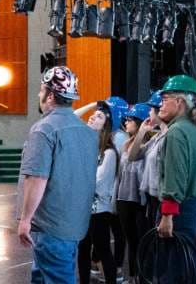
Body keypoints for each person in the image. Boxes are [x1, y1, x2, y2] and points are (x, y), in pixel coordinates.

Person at [17, 66, 98, 283]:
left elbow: (37, 178)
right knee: (41, 277)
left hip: (50, 227)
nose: (38, 94)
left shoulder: (43, 130)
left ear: (51, 95)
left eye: (41, 90)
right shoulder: (88, 133)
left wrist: (25, 219)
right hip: (74, 225)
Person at [155, 75, 196, 276]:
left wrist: (167, 215)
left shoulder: (176, 131)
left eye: (164, 99)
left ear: (179, 102)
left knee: (175, 272)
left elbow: (175, 176)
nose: (160, 104)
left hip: (179, 212)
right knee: (195, 270)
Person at [77, 103, 119, 284]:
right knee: (83, 249)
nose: (93, 117)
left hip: (99, 210)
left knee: (102, 250)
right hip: (83, 207)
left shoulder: (109, 153)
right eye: (93, 115)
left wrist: (79, 180)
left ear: (106, 126)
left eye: (99, 117)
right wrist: (93, 105)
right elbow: (72, 115)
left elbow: (98, 184)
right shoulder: (86, 146)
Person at [115, 103, 151, 284]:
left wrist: (143, 132)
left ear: (140, 122)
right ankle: (132, 277)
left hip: (140, 200)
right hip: (124, 198)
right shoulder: (125, 143)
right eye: (126, 119)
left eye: (130, 120)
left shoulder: (146, 144)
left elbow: (134, 157)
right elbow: (120, 174)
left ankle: (139, 276)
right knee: (130, 239)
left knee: (140, 240)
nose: (126, 122)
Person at [128, 91, 168, 227]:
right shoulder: (156, 137)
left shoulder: (169, 136)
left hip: (161, 200)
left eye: (151, 109)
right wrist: (141, 132)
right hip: (151, 199)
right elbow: (132, 156)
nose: (149, 113)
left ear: (159, 111)